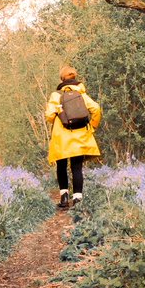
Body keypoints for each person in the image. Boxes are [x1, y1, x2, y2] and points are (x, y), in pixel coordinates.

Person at [45, 64, 101, 209]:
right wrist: (92, 126)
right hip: (80, 136)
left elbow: (49, 116)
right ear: (75, 77)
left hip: (61, 137)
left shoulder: (56, 95)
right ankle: (77, 200)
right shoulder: (82, 94)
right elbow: (96, 109)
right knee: (77, 167)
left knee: (61, 166)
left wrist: (59, 114)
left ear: (61, 79)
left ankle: (64, 199)